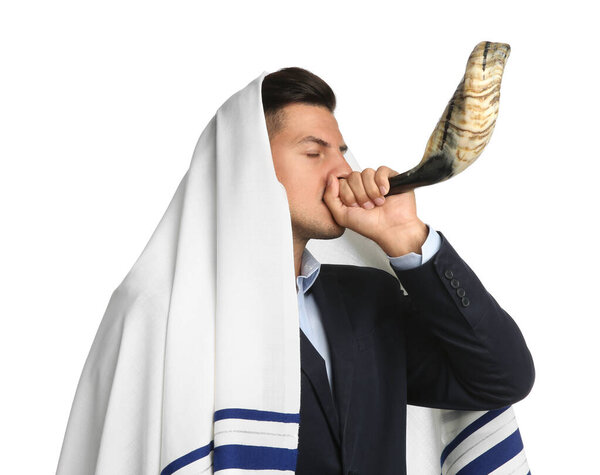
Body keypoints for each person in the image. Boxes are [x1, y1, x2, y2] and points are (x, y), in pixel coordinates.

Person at [262, 67, 535, 474]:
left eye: (341, 150)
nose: (342, 170)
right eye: (314, 152)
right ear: (245, 165)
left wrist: (406, 236)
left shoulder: (366, 301)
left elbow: (502, 378)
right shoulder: (172, 317)